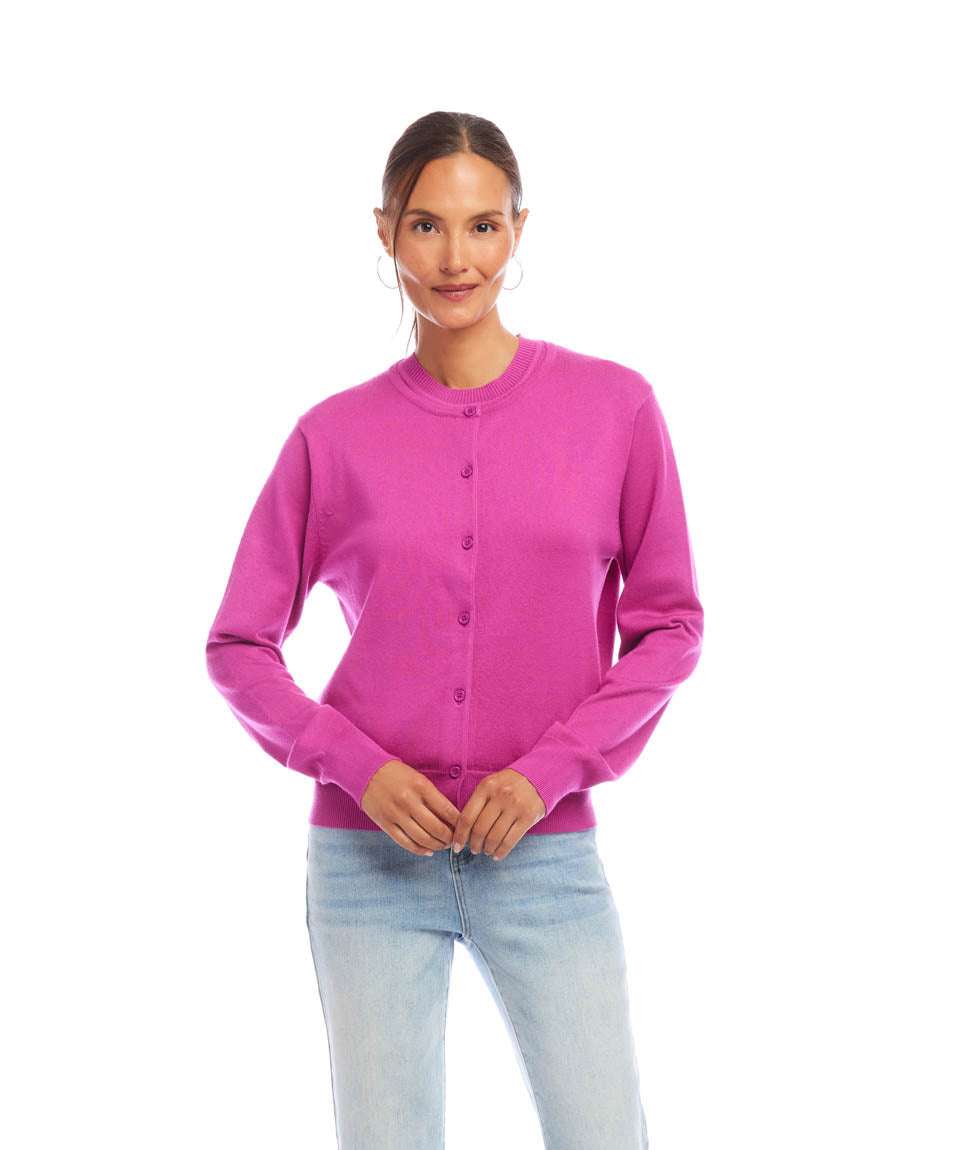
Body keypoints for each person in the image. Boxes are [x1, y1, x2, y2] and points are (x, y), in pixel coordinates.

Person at [205, 110, 704, 1150]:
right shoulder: (332, 437)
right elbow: (239, 646)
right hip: (368, 867)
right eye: (426, 225)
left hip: (545, 859)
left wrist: (551, 770)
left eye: (482, 226)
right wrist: (358, 767)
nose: (454, 258)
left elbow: (669, 626)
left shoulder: (614, 410)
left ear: (519, 230)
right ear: (384, 230)